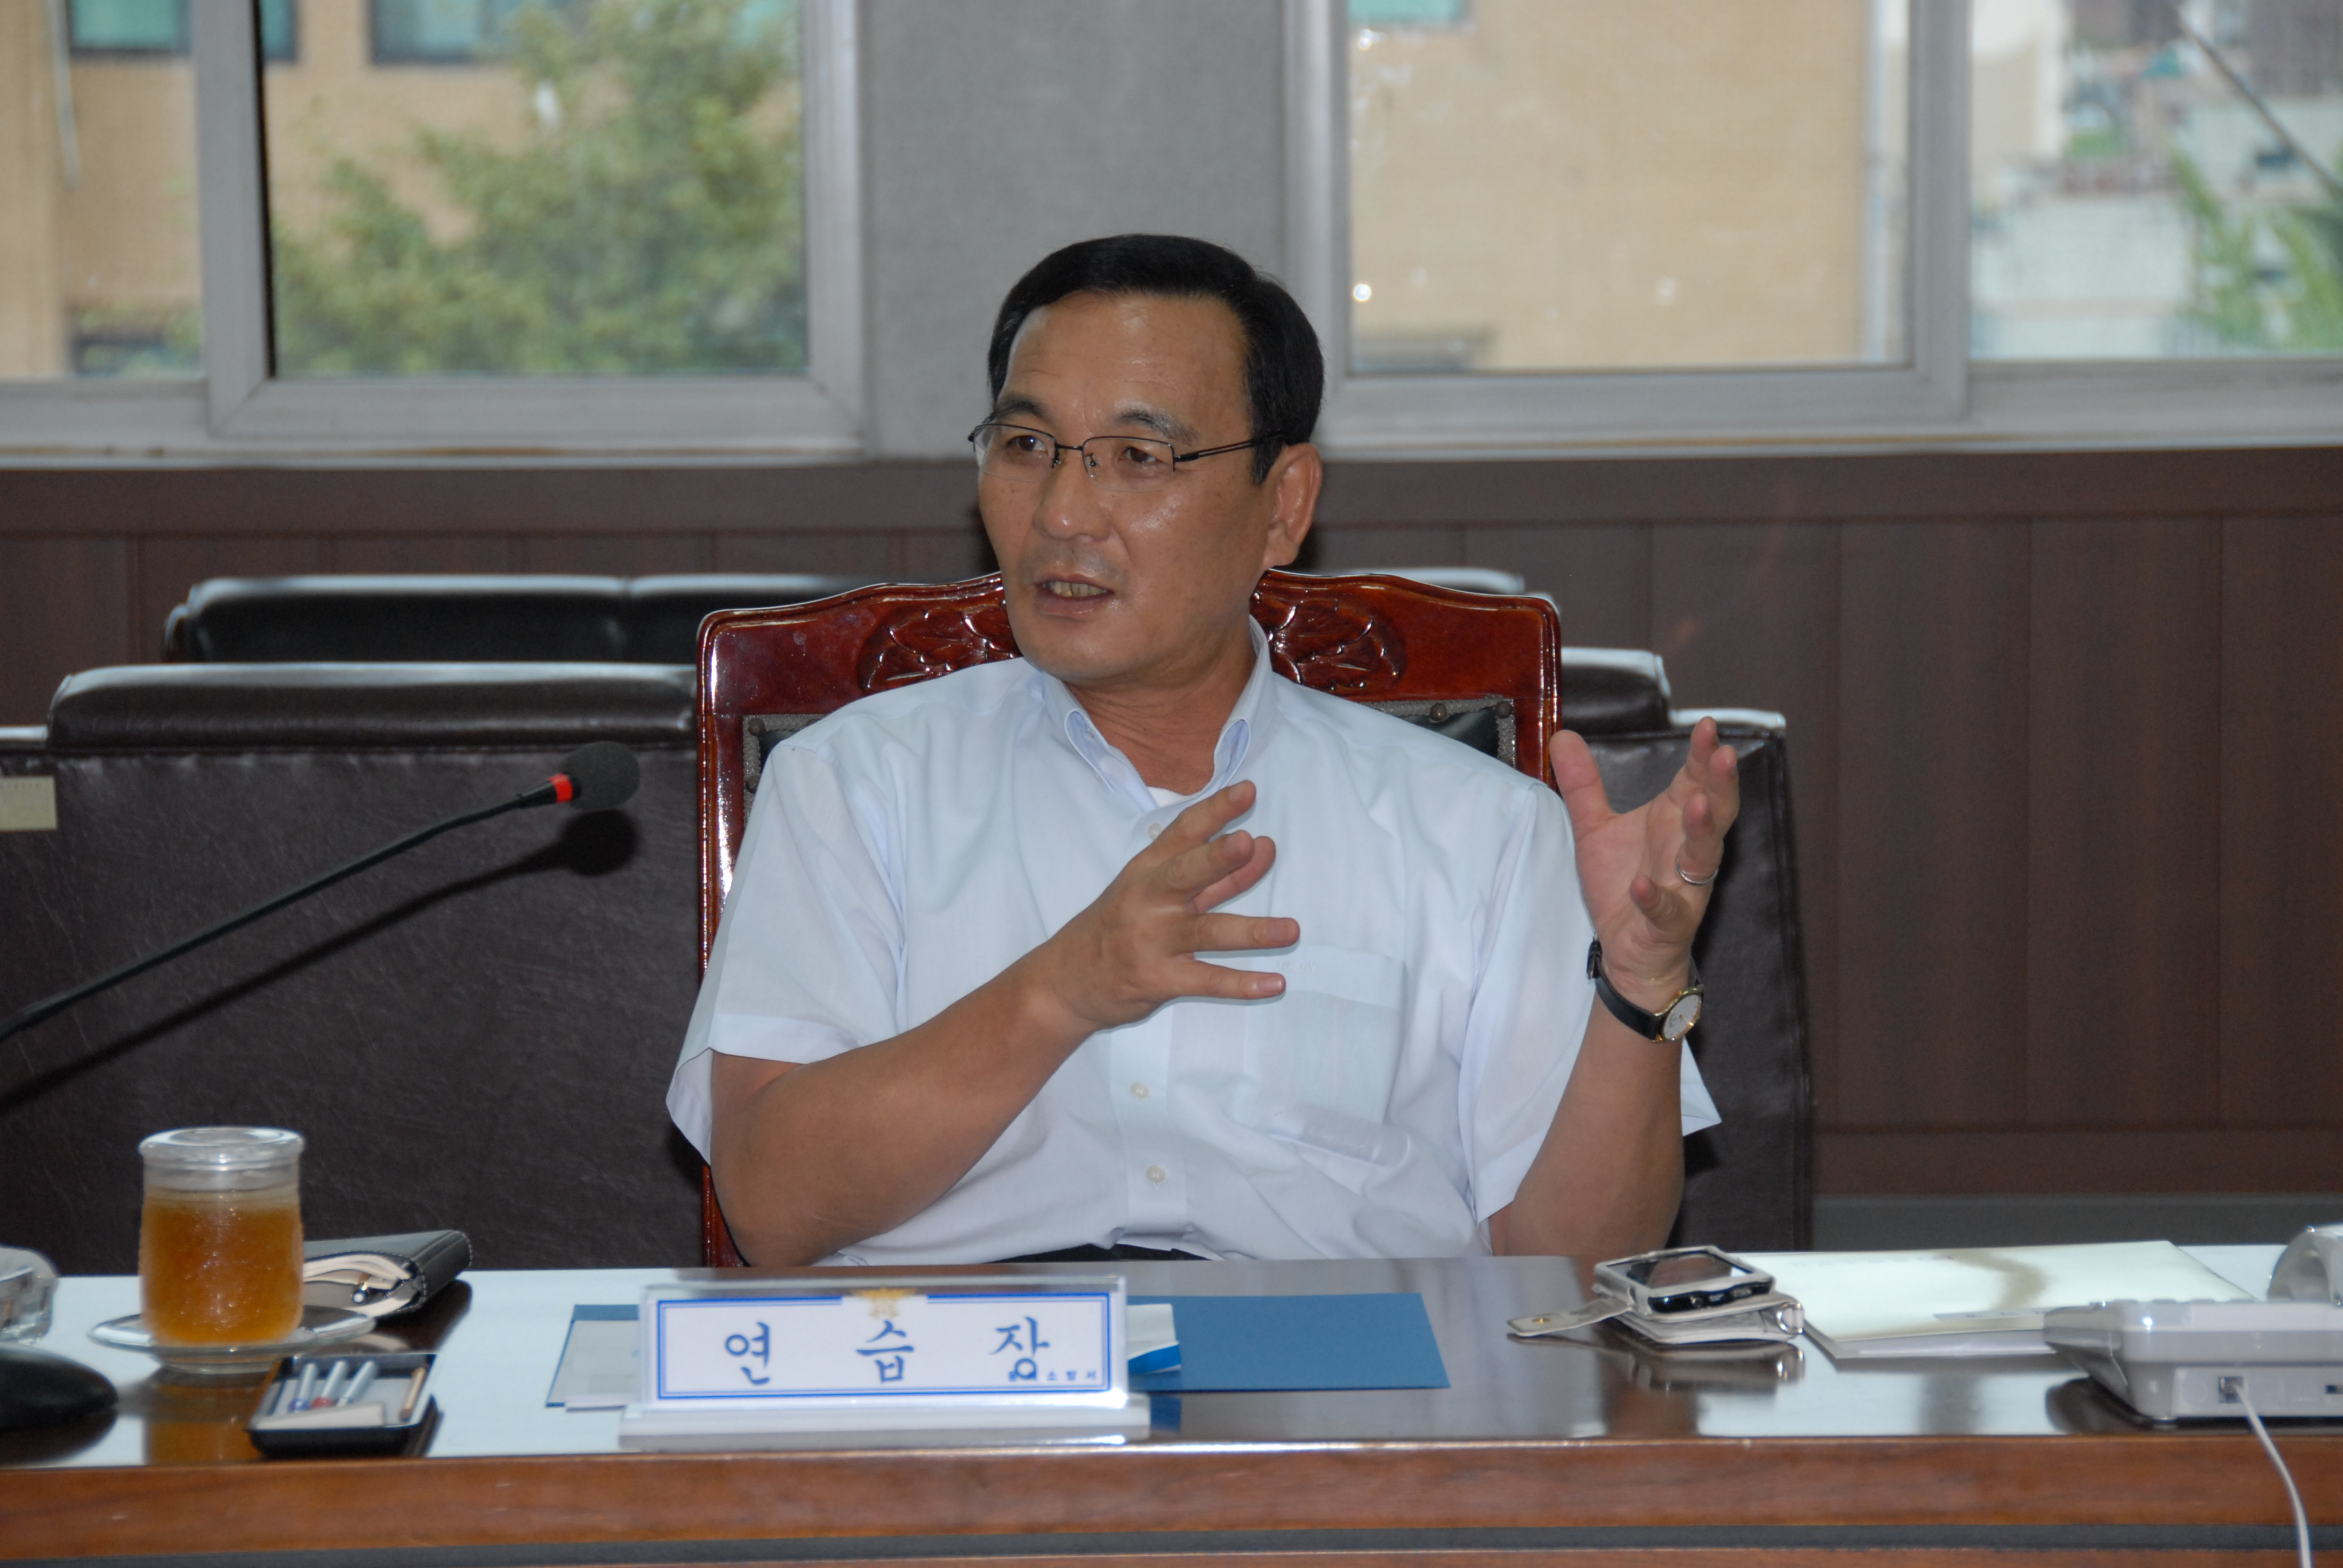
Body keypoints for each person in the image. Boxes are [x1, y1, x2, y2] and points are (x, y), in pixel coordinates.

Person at [666, 234, 1738, 1267]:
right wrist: (1061, 990)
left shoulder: (1479, 827)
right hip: (972, 1359)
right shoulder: (855, 784)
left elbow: (1569, 1269)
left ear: (1285, 505)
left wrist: (1639, 989)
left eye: (1139, 457)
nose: (1063, 513)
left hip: (1349, 1367)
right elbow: (773, 1208)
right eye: (1027, 446)